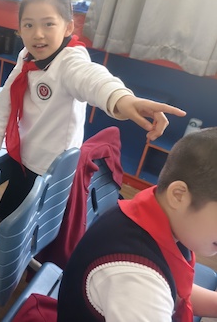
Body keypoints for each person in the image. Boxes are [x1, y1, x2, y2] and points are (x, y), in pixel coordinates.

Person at [0, 0, 186, 220]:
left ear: (68, 27)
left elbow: (93, 79)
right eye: (29, 25)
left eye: (48, 24)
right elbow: (6, 99)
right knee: (9, 209)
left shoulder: (69, 62)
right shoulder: (26, 56)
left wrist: (122, 98)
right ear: (20, 30)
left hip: (50, 168)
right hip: (24, 153)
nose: (38, 34)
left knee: (33, 222)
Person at [57, 127, 217, 321]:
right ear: (178, 196)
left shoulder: (159, 213)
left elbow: (176, 291)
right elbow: (154, 289)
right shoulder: (138, 284)